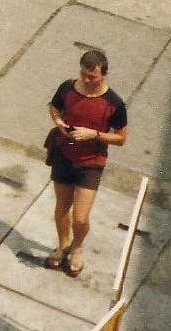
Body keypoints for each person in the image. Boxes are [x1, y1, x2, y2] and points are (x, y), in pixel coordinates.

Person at [44, 48, 129, 279]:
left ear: (105, 74)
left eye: (92, 77)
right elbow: (53, 106)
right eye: (83, 75)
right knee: (62, 206)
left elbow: (121, 138)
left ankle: (77, 247)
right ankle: (63, 245)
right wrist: (59, 121)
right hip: (64, 153)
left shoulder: (115, 103)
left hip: (90, 162)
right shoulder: (68, 88)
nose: (86, 80)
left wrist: (94, 135)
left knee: (81, 217)